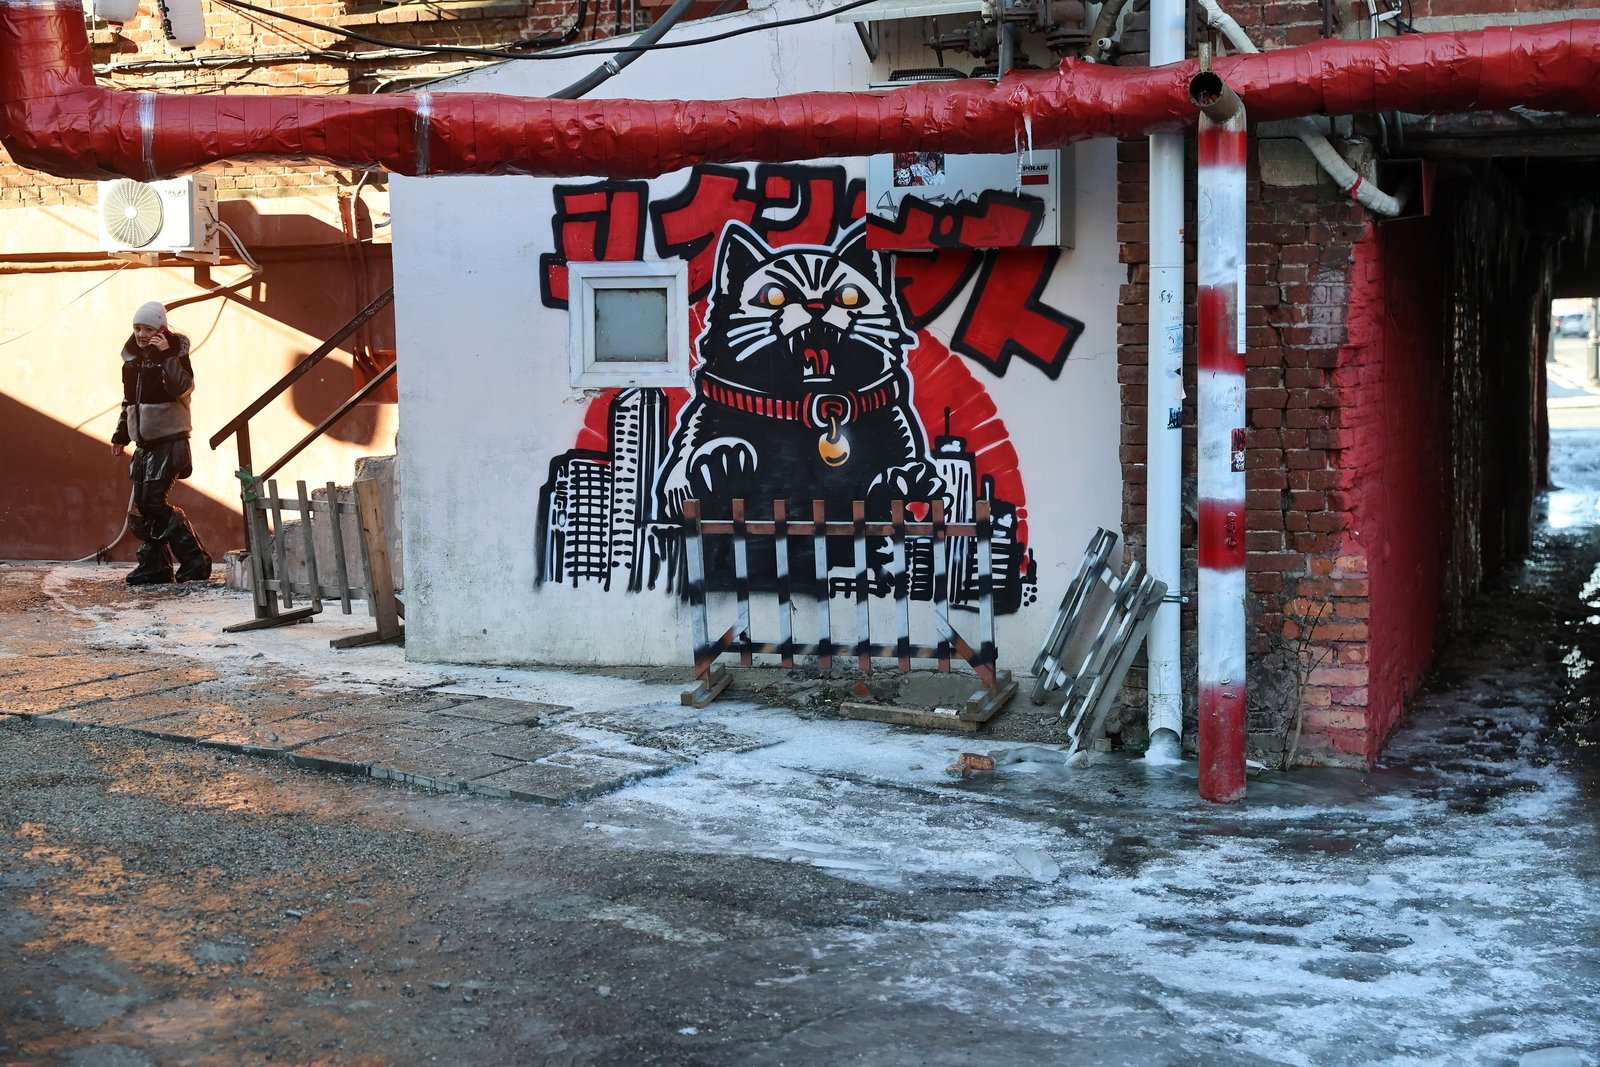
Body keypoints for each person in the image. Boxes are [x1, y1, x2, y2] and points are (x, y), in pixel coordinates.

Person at [111, 301, 212, 585]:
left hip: (170, 441)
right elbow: (129, 402)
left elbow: (183, 388)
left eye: (148, 328)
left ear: (161, 330)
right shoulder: (131, 361)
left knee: (154, 503)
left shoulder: (175, 355)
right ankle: (155, 566)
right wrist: (121, 435)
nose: (141, 334)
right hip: (144, 444)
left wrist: (167, 355)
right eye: (137, 328)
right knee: (143, 507)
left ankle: (196, 560)